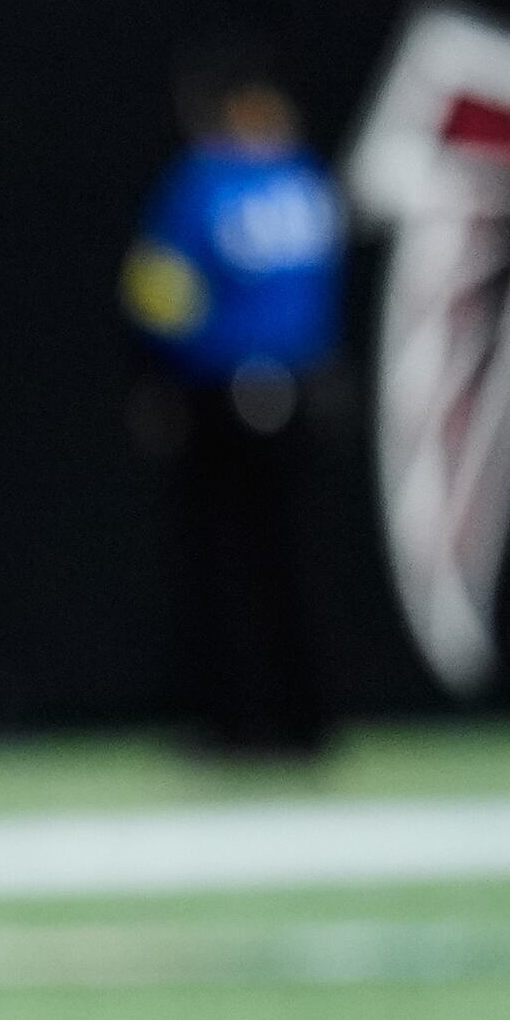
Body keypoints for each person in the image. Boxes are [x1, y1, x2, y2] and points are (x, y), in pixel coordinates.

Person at [123, 52, 344, 758]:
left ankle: (241, 722)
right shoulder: (306, 179)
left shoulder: (208, 181)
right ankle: (305, 719)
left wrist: (178, 358)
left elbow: (155, 289)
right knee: (288, 561)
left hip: (223, 387)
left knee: (225, 563)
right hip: (297, 388)